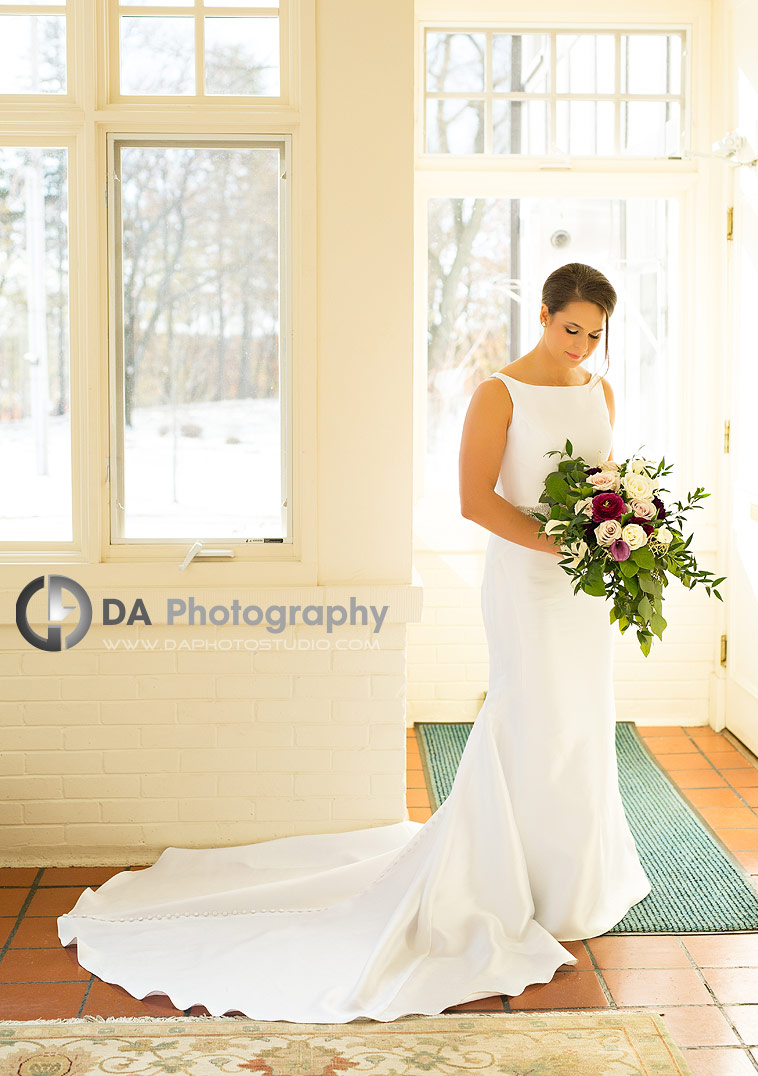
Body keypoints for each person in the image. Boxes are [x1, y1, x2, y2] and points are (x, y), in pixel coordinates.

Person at [56, 261, 651, 1023]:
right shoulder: (496, 393)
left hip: (584, 590)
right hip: (530, 586)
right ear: (541, 315)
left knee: (579, 720)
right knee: (530, 715)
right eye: (571, 329)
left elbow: (602, 483)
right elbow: (475, 502)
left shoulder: (599, 390)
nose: (581, 346)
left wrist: (617, 532)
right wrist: (563, 546)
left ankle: (576, 884)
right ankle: (503, 883)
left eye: (595, 335)